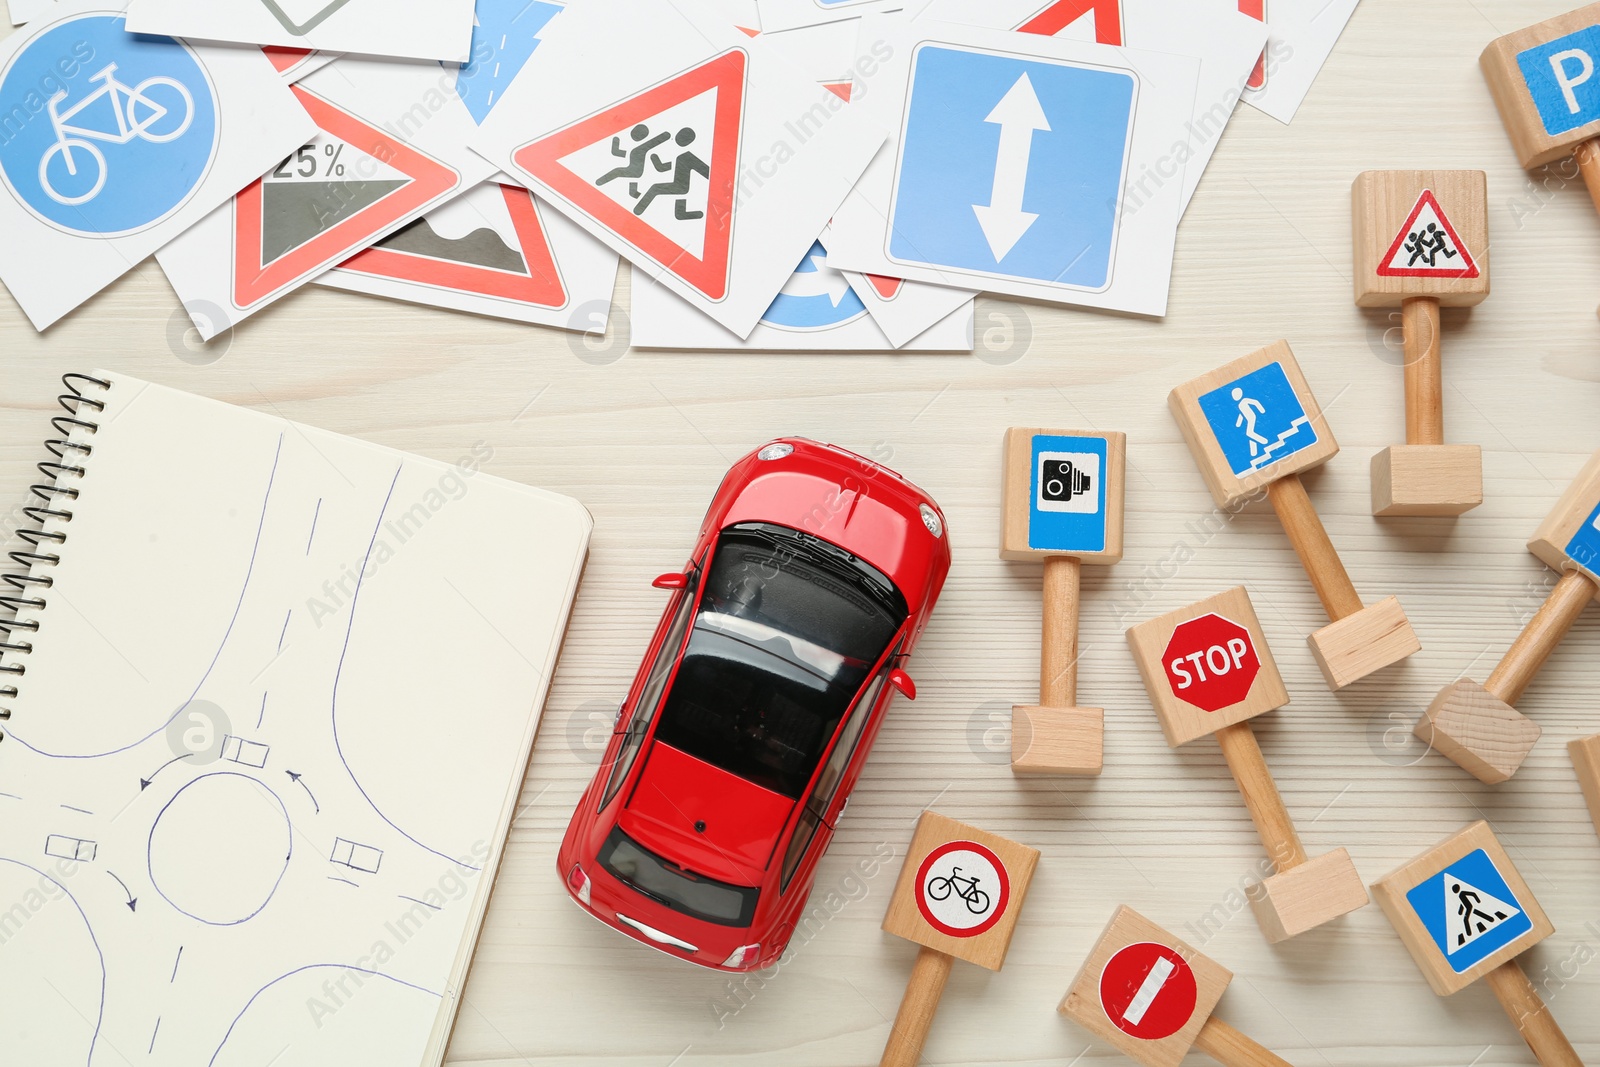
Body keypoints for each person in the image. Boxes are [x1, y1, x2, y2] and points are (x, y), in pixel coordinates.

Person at [635, 128, 709, 220]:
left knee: (655, 188)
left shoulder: (688, 157)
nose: (677, 138)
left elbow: (707, 172)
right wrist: (656, 160)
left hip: (681, 186)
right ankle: (637, 212)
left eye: (681, 136)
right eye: (679, 135)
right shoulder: (681, 156)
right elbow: (663, 168)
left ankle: (638, 210)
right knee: (656, 189)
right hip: (680, 185)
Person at [597, 123, 671, 199]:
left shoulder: (641, 148)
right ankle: (636, 195)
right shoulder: (636, 148)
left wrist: (665, 136)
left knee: (617, 172)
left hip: (635, 171)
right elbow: (618, 152)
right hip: (634, 170)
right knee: (620, 174)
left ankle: (599, 183)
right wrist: (616, 143)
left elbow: (653, 143)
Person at [1232, 386, 1267, 457]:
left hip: (1251, 418)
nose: (1234, 397)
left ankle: (1264, 441)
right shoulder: (1239, 405)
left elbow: (1255, 402)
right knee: (1249, 434)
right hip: (1247, 419)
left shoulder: (1244, 400)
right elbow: (1241, 414)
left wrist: (1261, 410)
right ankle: (1254, 451)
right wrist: (1238, 423)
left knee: (1249, 433)